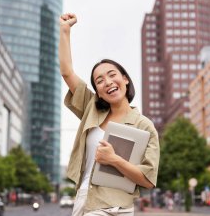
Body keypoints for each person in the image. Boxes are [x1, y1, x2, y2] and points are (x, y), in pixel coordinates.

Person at [59, 13, 160, 216]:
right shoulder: (92, 108)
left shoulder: (144, 125)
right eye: (99, 80)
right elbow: (67, 72)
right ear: (97, 89)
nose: (107, 82)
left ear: (125, 80)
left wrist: (114, 159)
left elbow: (148, 180)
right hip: (86, 200)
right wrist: (64, 31)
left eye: (112, 75)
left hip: (118, 207)